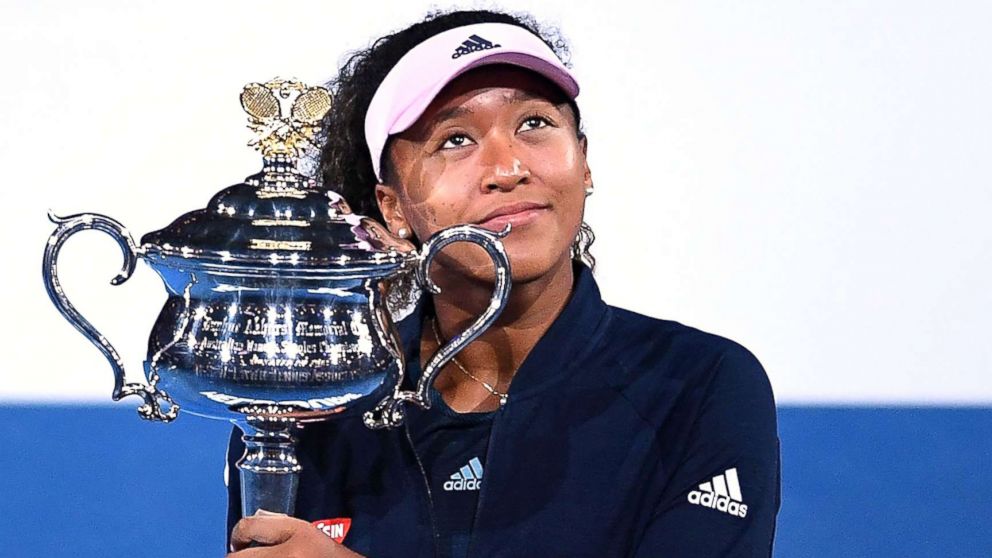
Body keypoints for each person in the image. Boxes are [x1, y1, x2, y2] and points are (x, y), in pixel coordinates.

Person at [226, 9, 780, 557]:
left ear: (583, 161)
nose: (508, 168)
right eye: (455, 139)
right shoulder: (316, 404)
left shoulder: (696, 385)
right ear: (392, 208)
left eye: (534, 124)